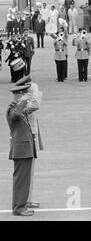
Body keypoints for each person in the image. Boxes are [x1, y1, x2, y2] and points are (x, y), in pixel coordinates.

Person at [6, 81, 36, 216]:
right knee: (21, 180)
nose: (27, 97)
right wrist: (23, 101)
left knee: (24, 180)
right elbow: (17, 113)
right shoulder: (13, 109)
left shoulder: (19, 108)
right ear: (19, 95)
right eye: (24, 94)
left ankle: (21, 205)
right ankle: (18, 207)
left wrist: (23, 101)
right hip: (21, 150)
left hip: (25, 149)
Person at [15, 76, 43, 210]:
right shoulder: (24, 104)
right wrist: (34, 91)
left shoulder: (25, 102)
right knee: (27, 171)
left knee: (31, 171)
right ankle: (25, 200)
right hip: (27, 139)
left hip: (31, 137)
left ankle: (28, 199)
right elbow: (36, 104)